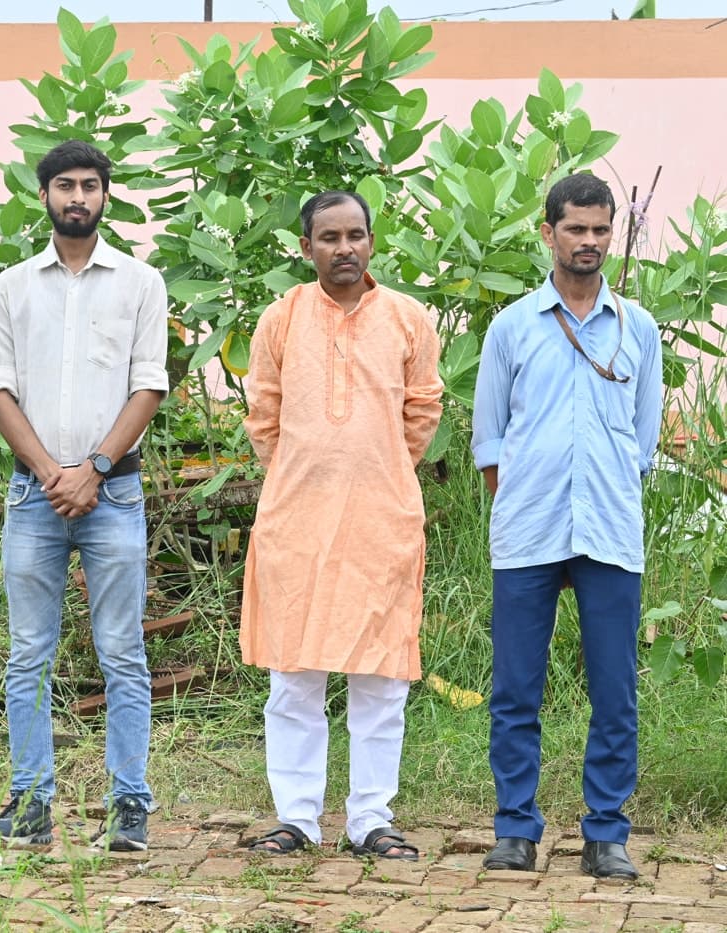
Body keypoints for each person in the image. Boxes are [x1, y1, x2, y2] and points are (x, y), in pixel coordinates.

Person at [239, 191, 443, 860]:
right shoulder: (281, 318)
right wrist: (312, 476)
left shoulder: (408, 319)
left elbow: (422, 412)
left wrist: (374, 473)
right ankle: (296, 818)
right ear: (307, 248)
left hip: (382, 521)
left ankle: (370, 820)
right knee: (294, 675)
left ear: (373, 242)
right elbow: (263, 415)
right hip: (294, 521)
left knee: (380, 676)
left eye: (356, 234)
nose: (345, 247)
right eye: (329, 237)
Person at [473, 173, 663, 880]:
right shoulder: (512, 326)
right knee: (516, 689)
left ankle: (606, 833)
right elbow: (489, 441)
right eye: (575, 228)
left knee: (615, 691)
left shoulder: (638, 328)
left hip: (611, 534)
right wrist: (526, 496)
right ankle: (516, 829)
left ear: (613, 233)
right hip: (526, 535)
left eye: (600, 229)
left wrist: (603, 488)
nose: (588, 242)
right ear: (548, 232)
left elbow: (643, 444)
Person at [0, 139, 168, 851]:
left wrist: (92, 467)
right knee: (29, 652)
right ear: (45, 197)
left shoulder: (140, 283)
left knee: (121, 651)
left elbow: (148, 383)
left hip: (114, 495)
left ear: (106, 196)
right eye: (66, 186)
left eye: (91, 185)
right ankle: (31, 801)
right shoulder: (13, 286)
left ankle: (128, 806)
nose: (78, 197)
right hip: (34, 497)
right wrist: (51, 472)